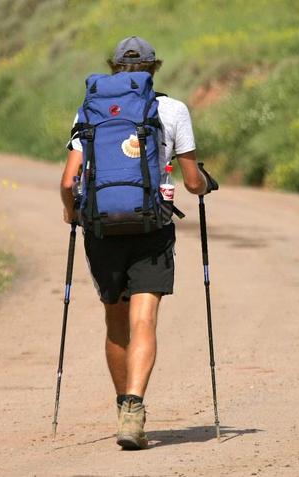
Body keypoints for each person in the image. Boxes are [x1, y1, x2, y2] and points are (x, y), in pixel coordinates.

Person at [59, 36, 213, 450]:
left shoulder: (91, 108)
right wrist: (203, 186)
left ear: (114, 68)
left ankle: (120, 406)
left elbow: (69, 181)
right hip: (151, 227)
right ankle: (135, 406)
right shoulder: (173, 109)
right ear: (152, 68)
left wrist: (72, 213)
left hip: (103, 228)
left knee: (116, 322)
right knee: (143, 321)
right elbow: (193, 180)